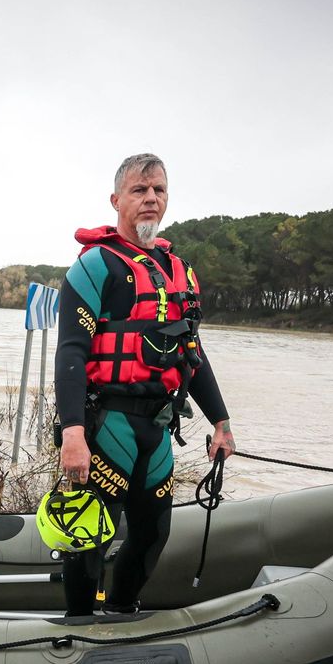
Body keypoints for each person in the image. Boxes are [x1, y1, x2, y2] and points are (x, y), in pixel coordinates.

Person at [53, 153, 235, 617]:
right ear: (117, 200)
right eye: (139, 190)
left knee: (154, 534)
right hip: (104, 423)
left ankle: (122, 612)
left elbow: (193, 352)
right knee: (90, 532)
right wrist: (72, 432)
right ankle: (78, 625)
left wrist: (221, 421)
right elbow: (71, 351)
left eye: (159, 191)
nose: (150, 199)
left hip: (157, 430)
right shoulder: (96, 267)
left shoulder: (181, 271)